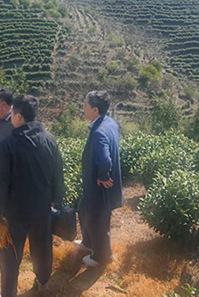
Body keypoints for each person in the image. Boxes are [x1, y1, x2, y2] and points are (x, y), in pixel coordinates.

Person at [0, 95, 65, 297]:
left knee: (9, 254)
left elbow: (1, 182)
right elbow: (58, 174)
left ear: (19, 117)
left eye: (13, 114)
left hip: (14, 212)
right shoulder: (50, 140)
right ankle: (43, 284)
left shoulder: (8, 144)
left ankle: (9, 293)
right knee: (42, 249)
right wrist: (57, 201)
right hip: (42, 209)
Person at [77, 90, 123, 267]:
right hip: (97, 186)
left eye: (85, 105)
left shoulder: (99, 132)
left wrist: (103, 176)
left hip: (98, 187)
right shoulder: (110, 123)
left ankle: (101, 257)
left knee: (98, 221)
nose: (83, 108)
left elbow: (104, 160)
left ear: (95, 110)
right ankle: (89, 242)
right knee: (84, 208)